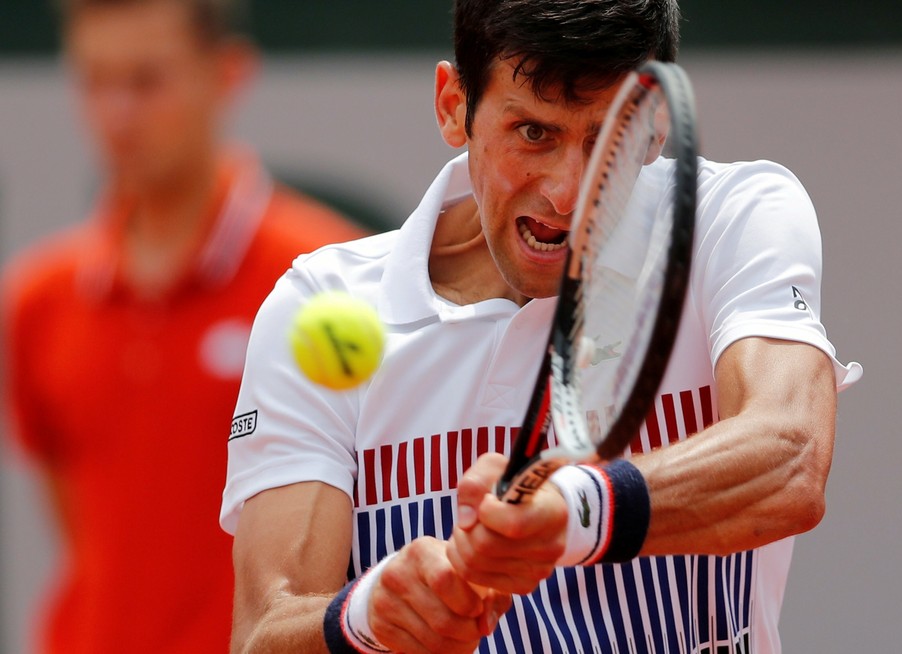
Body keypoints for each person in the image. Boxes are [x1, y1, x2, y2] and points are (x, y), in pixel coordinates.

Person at [219, 0, 863, 652]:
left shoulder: (730, 220)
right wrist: (362, 621)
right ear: (453, 106)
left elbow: (791, 458)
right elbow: (266, 632)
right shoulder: (320, 304)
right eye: (534, 133)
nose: (568, 192)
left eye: (611, 139)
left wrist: (573, 512)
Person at [0, 0, 366, 651]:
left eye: (146, 81)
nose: (117, 113)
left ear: (227, 73)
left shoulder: (326, 279)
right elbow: (82, 527)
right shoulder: (38, 301)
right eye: (95, 80)